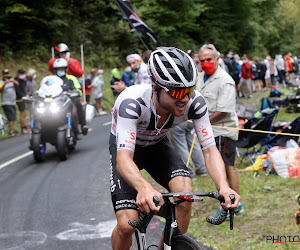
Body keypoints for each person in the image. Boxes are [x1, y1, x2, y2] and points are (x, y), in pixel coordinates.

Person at [109, 46, 240, 249]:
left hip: (157, 144)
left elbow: (209, 149)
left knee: (185, 195)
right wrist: (144, 187)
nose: (185, 99)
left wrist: (223, 185)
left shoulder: (194, 103)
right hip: (128, 151)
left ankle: (169, 245)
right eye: (178, 92)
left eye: (189, 90)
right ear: (156, 87)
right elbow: (123, 158)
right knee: (126, 225)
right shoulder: (132, 103)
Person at [196, 44, 244, 219]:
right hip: (210, 132)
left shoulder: (225, 80)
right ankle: (232, 204)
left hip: (223, 131)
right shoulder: (201, 78)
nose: (205, 63)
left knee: (224, 168)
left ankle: (231, 205)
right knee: (219, 169)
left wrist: (202, 123)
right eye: (202, 60)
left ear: (217, 59)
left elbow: (223, 110)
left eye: (209, 59)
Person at [53, 58, 88, 136]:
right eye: (58, 69)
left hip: (68, 102)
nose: (60, 71)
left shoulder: (71, 78)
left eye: (62, 69)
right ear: (55, 70)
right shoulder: (52, 80)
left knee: (74, 112)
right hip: (55, 103)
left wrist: (75, 92)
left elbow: (78, 89)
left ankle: (81, 126)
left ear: (66, 69)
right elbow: (44, 89)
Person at [0, 69, 19, 136]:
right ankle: (11, 132)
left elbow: (17, 84)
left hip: (13, 102)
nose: (6, 75)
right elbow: (0, 90)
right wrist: (5, 83)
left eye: (7, 73)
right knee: (11, 117)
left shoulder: (11, 82)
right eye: (5, 73)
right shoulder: (1, 82)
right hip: (6, 102)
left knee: (13, 117)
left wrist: (12, 80)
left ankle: (12, 130)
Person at [14, 68, 30, 134]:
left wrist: (26, 95)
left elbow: (24, 89)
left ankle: (25, 126)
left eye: (23, 73)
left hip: (24, 98)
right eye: (21, 73)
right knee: (22, 113)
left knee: (24, 113)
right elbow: (18, 91)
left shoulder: (23, 80)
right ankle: (23, 127)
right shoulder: (17, 80)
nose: (22, 74)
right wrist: (23, 96)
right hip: (20, 98)